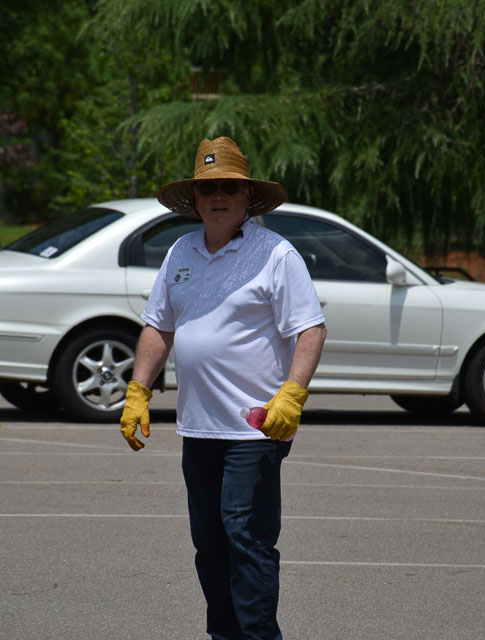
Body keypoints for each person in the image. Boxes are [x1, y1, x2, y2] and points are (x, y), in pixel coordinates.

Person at [120, 136, 327, 640]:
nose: (219, 196)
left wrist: (292, 396)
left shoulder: (275, 254)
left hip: (255, 429)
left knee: (246, 537)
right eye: (208, 188)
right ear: (194, 198)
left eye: (230, 187)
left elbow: (311, 330)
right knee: (209, 543)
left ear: (247, 196)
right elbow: (158, 326)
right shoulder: (180, 250)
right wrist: (138, 390)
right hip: (198, 428)